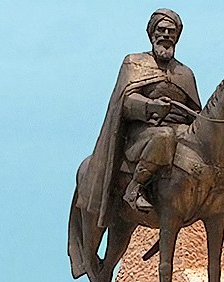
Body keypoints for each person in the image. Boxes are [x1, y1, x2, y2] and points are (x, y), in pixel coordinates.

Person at [76, 8, 201, 226]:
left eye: (171, 32)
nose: (165, 35)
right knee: (163, 136)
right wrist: (150, 106)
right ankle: (134, 188)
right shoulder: (134, 63)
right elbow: (124, 101)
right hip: (142, 134)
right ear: (152, 34)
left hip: (179, 132)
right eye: (161, 30)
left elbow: (196, 113)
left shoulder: (185, 73)